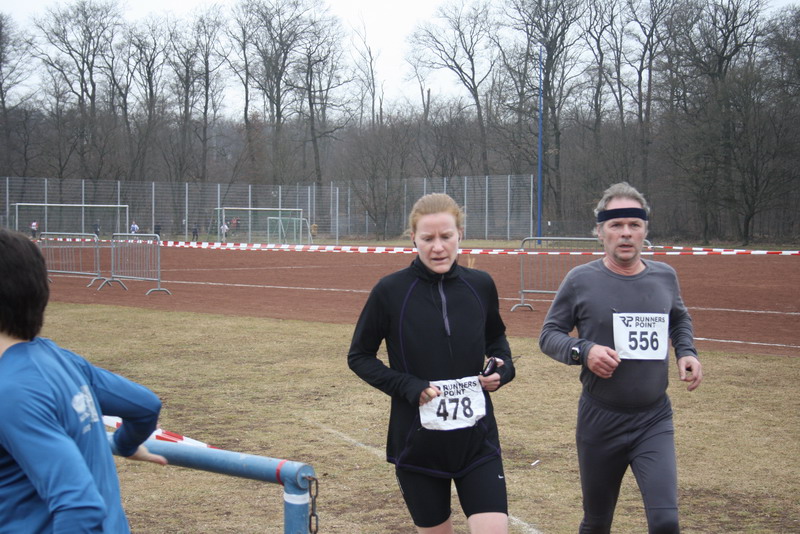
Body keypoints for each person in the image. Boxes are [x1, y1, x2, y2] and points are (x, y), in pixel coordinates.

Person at [539, 182, 703, 534]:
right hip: (600, 421)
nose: (626, 233)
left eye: (634, 224)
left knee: (666, 521)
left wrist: (686, 351)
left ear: (645, 230)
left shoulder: (665, 276)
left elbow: (679, 318)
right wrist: (584, 351)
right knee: (597, 522)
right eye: (616, 225)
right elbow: (549, 335)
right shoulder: (580, 280)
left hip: (653, 419)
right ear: (600, 232)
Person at [348, 193, 516, 534]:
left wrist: (503, 369)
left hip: (477, 441)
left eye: (446, 236)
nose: (438, 247)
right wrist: (408, 385)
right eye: (428, 239)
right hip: (418, 445)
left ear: (460, 235)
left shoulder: (480, 285)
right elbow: (359, 356)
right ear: (413, 238)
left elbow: (496, 340)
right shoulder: (390, 291)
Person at [0, 229, 168, 532]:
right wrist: (126, 445)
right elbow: (145, 406)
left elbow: (79, 506)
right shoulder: (60, 359)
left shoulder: (11, 392)